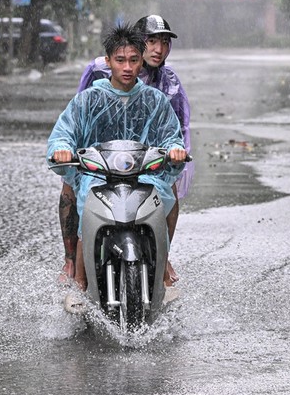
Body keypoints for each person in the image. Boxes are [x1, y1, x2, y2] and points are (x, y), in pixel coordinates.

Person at [47, 23, 187, 291]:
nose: (127, 67)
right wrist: (62, 148)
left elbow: (172, 134)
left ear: (141, 62)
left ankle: (162, 265)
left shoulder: (156, 100)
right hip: (97, 173)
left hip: (144, 173)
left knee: (166, 193)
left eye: (134, 60)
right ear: (108, 61)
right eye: (120, 60)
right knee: (83, 201)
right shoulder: (88, 99)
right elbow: (65, 131)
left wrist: (174, 150)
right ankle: (79, 279)